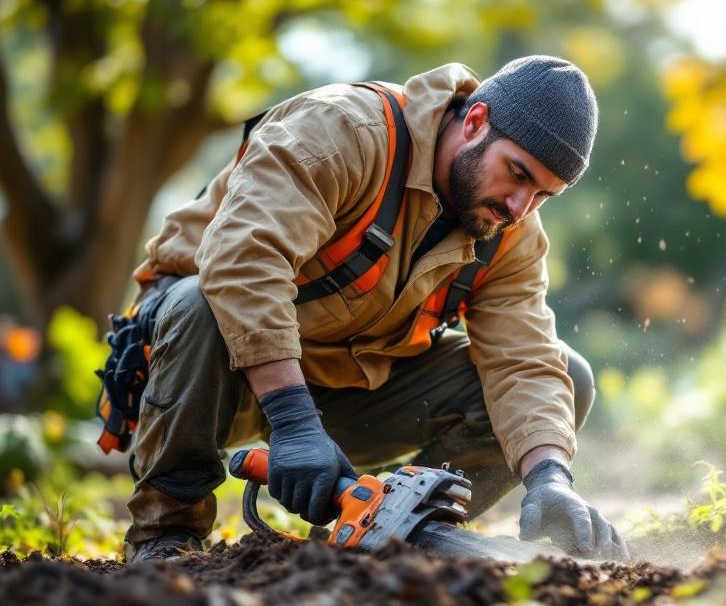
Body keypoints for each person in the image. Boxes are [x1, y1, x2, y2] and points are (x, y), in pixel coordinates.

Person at [115, 55, 628, 564]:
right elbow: (242, 261)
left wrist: (549, 478)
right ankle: (166, 539)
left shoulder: (509, 230)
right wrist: (294, 422)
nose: (520, 207)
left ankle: (379, 538)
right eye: (517, 174)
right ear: (474, 121)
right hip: (204, 373)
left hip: (347, 392)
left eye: (542, 195)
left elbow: (524, 359)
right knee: (200, 300)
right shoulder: (343, 131)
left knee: (570, 377)